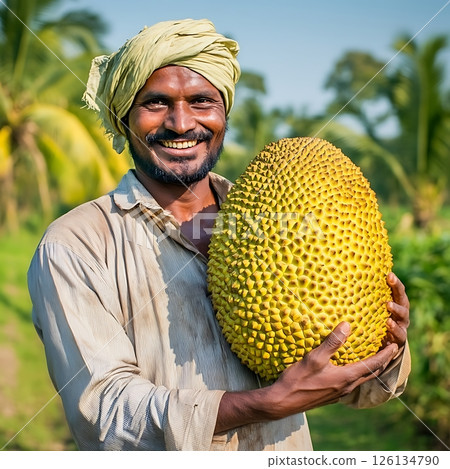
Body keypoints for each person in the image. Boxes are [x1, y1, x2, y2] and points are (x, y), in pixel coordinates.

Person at [28, 19, 411, 451]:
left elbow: (361, 390)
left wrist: (384, 348)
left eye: (201, 101)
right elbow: (104, 414)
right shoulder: (76, 244)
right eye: (155, 103)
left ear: (224, 113)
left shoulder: (277, 216)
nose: (180, 122)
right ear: (124, 117)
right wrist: (261, 404)